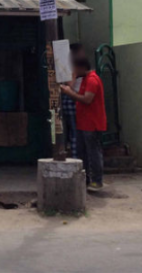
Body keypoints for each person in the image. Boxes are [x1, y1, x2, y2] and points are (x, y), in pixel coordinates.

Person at [59, 57, 107, 191]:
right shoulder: (85, 79)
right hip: (83, 123)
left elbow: (87, 100)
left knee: (93, 152)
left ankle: (97, 181)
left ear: (81, 68)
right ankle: (85, 180)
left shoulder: (92, 80)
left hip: (92, 123)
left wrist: (69, 92)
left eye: (74, 68)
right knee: (82, 153)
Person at [60, 43, 85, 159]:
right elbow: (70, 84)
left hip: (67, 99)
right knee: (76, 133)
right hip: (72, 99)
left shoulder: (65, 65)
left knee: (72, 132)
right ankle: (76, 160)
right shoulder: (73, 66)